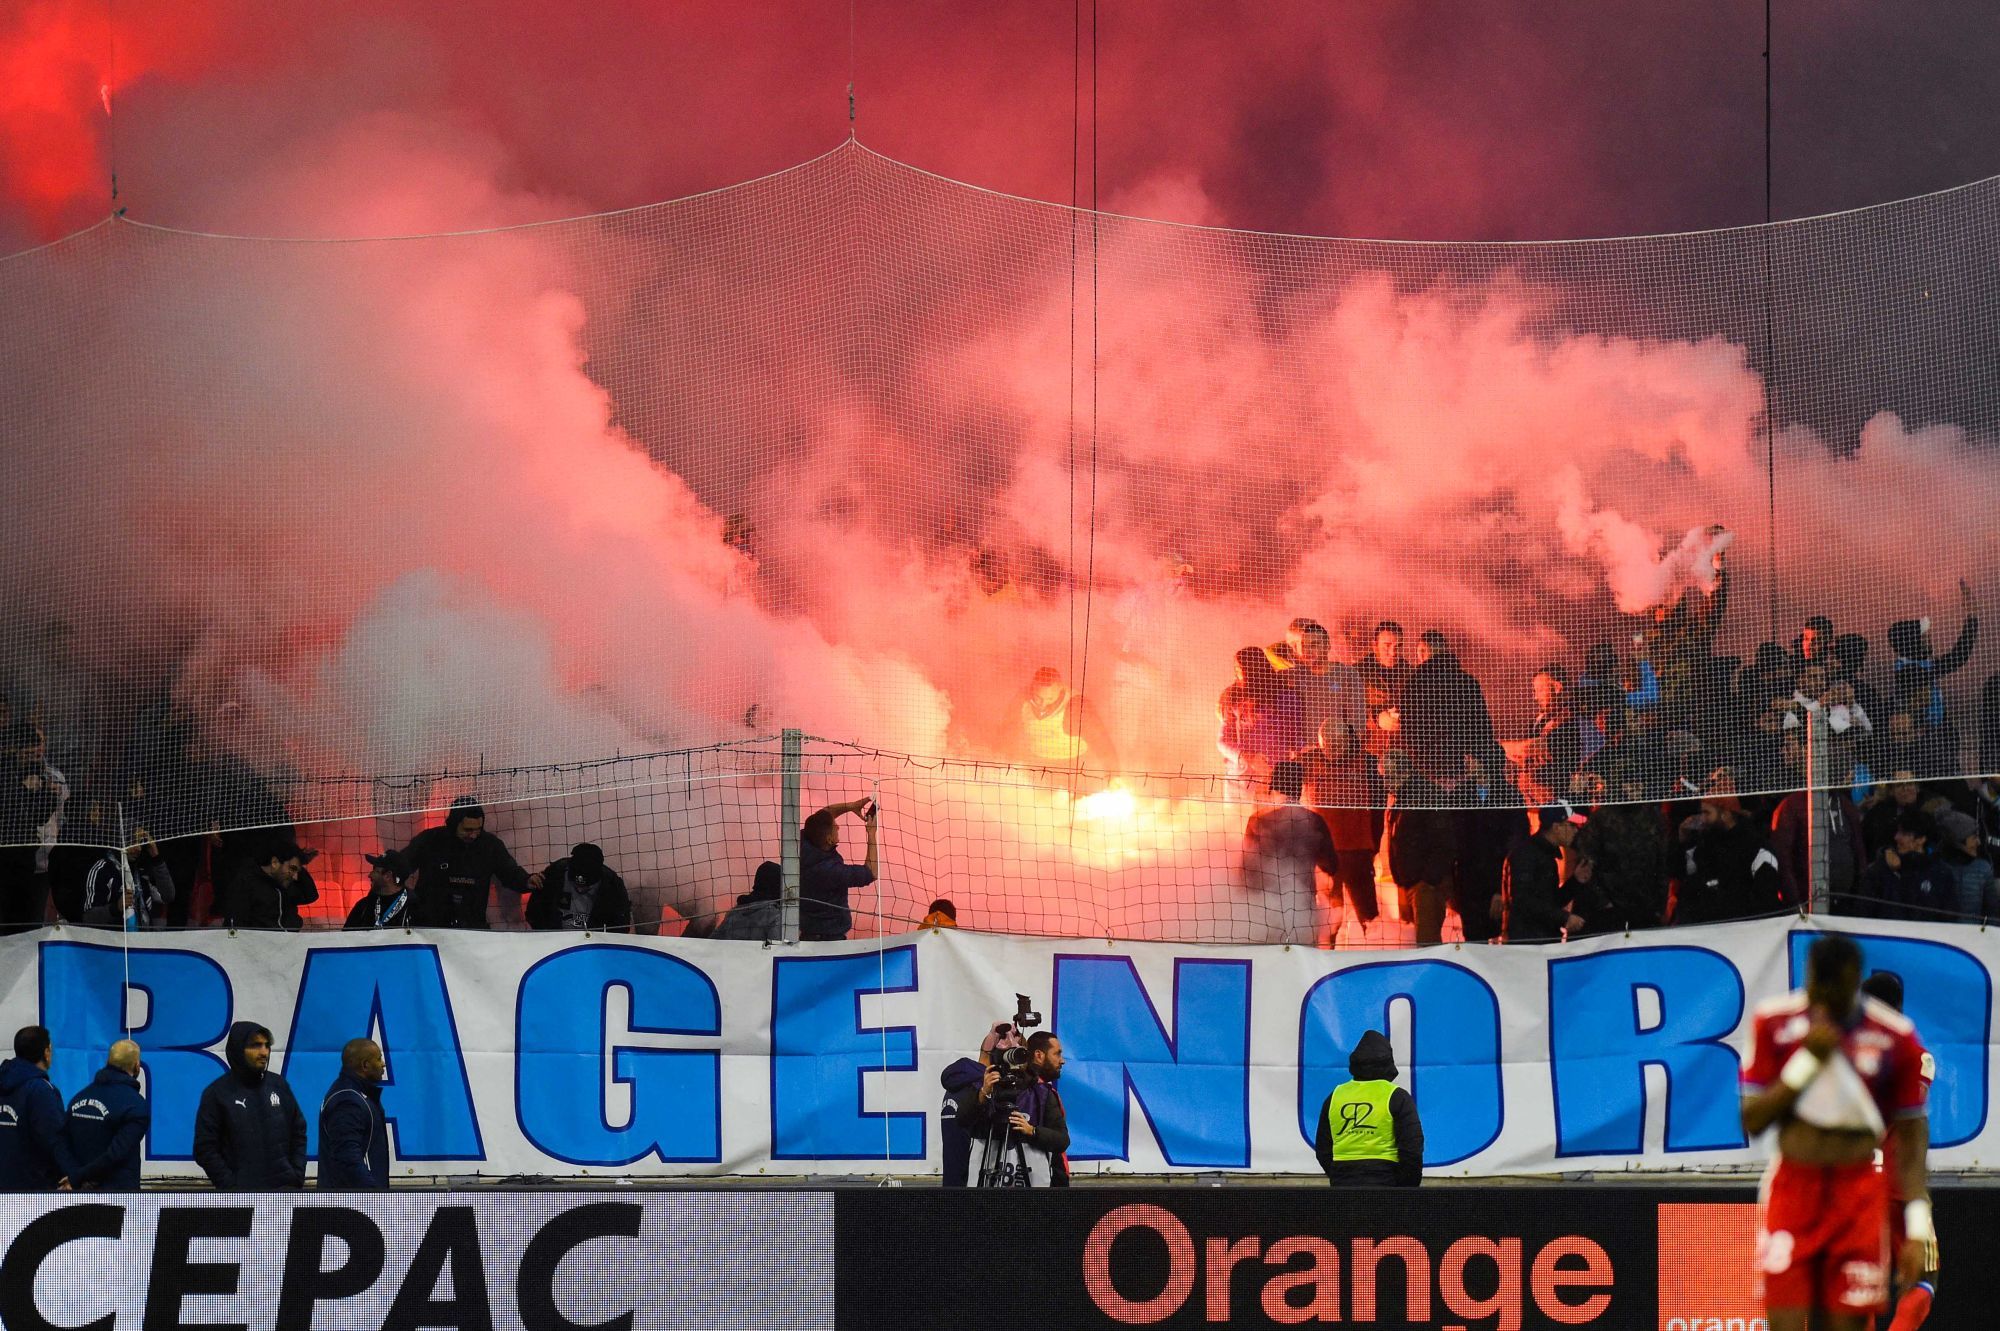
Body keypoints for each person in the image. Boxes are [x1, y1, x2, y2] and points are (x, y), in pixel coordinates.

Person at [1741, 934, 1930, 1331]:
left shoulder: (1895, 1037)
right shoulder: (1774, 1022)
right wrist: (1807, 1061)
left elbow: (1912, 1144)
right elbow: (1752, 1120)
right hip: (1794, 1190)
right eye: (1817, 988)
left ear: (1853, 982)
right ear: (1809, 980)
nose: (1825, 999)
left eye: (1836, 990)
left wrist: (1915, 1228)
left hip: (1857, 1196)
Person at [1856, 972, 1939, 1331]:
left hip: (1854, 1185)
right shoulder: (1918, 1057)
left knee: (1858, 1287)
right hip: (1899, 1185)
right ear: (1901, 1008)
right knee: (1925, 1278)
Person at [193, 1022, 307, 1191]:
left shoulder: (279, 1086)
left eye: (266, 1046)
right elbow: (205, 1148)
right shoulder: (217, 1094)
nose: (264, 1052)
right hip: (241, 1202)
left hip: (285, 1193)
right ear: (238, 1049)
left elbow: (299, 1131)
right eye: (255, 1045)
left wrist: (295, 1176)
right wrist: (231, 1187)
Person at [1241, 760, 1338, 946]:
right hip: (1302, 907)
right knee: (1303, 963)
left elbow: (1246, 870)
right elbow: (1331, 865)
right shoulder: (1314, 821)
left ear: (1274, 788)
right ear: (1300, 789)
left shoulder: (1257, 821)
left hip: (1265, 908)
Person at [403, 798, 539, 929]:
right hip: (428, 926)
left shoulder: (490, 846)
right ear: (453, 824)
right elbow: (401, 865)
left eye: (478, 830)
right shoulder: (430, 840)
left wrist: (526, 880)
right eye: (467, 830)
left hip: (472, 927)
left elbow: (509, 871)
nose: (473, 835)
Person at [1313, 1029, 1423, 1187]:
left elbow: (1323, 1150)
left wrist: (1339, 1175)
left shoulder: (1335, 1096)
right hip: (1386, 1183)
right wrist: (1406, 1188)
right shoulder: (1397, 1096)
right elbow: (1412, 1148)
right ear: (1388, 1061)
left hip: (1343, 1184)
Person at [1299, 720, 1382, 926]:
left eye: (1337, 742)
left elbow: (1378, 809)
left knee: (1369, 918)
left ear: (1348, 740)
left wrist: (1374, 846)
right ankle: (1326, 954)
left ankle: (1373, 951)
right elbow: (1283, 785)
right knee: (1327, 920)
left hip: (1357, 852)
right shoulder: (1308, 761)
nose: (1331, 748)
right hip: (1324, 856)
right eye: (1326, 743)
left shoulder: (1368, 763)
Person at [962, 1031, 1070, 1187]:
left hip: (1032, 1189)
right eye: (1058, 1054)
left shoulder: (1042, 1093)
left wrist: (1032, 1131)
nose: (1062, 1061)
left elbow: (1062, 1140)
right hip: (986, 1185)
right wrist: (983, 1093)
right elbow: (962, 1121)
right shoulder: (984, 1089)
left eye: (1020, 1053)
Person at [1676, 776, 1783, 924]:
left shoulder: (1756, 847)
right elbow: (1685, 880)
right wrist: (1683, 842)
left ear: (1725, 814)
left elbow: (1766, 899)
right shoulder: (1704, 846)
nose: (1702, 819)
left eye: (1707, 813)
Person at [1399, 629, 1498, 785]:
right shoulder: (1468, 683)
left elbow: (1408, 737)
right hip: (1463, 774)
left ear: (1424, 651)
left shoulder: (1413, 685)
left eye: (1418, 652)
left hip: (1427, 775)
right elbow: (1483, 731)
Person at [1453, 748, 1528, 944]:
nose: (1467, 762)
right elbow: (1456, 843)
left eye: (1472, 758)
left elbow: (1517, 844)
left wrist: (1500, 889)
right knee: (1474, 942)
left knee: (1503, 942)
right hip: (1469, 886)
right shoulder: (1460, 795)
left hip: (1501, 882)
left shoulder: (1510, 796)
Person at [1380, 748, 1453, 946]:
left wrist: (1428, 880)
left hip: (1425, 887)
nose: (1386, 781)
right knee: (1412, 944)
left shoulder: (1428, 795)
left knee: (1426, 945)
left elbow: (1443, 840)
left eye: (1389, 774)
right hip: (1407, 883)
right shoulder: (1400, 799)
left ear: (1404, 772)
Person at [0, 723, 63, 934]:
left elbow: (35, 818)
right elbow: (11, 815)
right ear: (14, 749)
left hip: (26, 861)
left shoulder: (38, 774)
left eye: (33, 752)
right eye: (26, 753)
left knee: (26, 926)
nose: (30, 757)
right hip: (4, 860)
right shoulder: (6, 773)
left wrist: (48, 795)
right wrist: (24, 790)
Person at [64, 1039, 149, 1191]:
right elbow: (116, 1154)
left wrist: (75, 1176)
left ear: (108, 1061)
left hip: (77, 1193)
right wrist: (79, 1176)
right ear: (137, 1066)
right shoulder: (135, 1105)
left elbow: (63, 1143)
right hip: (117, 1195)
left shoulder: (79, 1098)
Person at [998, 667, 1119, 772]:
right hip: (1036, 762)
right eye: (1038, 697)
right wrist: (1004, 757)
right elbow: (1008, 729)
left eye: (1050, 699)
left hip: (1072, 765)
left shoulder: (1076, 705)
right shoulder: (1022, 699)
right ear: (1033, 687)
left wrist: (1113, 774)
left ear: (1060, 688)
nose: (1043, 704)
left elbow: (1100, 740)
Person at [0, 1026, 77, 1190]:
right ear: (46, 1052)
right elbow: (54, 1138)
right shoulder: (40, 1090)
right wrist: (73, 1174)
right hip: (32, 1191)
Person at [1217, 647, 1306, 786]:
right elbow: (1223, 741)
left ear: (1260, 668)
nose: (1242, 675)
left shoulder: (1286, 697)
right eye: (1238, 670)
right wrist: (1247, 757)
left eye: (1246, 669)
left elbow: (1297, 738)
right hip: (1240, 778)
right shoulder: (1232, 698)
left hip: (1277, 776)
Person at [1268, 618, 1366, 744]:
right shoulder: (1284, 677)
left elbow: (1357, 724)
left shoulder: (1346, 674)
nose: (1304, 651)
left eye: (1312, 644)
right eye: (1296, 645)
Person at [1502, 805, 1586, 943]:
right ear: (1557, 827)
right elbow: (1524, 900)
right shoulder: (1527, 854)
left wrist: (1576, 880)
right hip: (1529, 942)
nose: (1575, 830)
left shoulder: (1544, 854)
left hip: (1540, 938)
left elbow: (1550, 901)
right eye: (1571, 825)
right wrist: (1564, 917)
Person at [800, 798, 877, 941]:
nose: (838, 827)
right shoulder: (830, 871)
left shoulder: (804, 843)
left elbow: (824, 815)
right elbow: (872, 872)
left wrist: (851, 806)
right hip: (830, 941)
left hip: (806, 935)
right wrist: (871, 833)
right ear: (829, 840)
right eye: (835, 826)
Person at [318, 1038, 388, 1190]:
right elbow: (348, 1157)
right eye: (378, 1059)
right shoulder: (348, 1101)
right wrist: (375, 1195)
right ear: (365, 1065)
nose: (383, 1064)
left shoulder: (355, 1095)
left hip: (354, 1201)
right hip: (351, 1206)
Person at [1859, 810, 1952, 922]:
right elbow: (1863, 913)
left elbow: (1949, 915)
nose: (1896, 837)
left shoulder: (1941, 873)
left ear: (1921, 839)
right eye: (1898, 832)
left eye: (1904, 833)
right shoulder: (1880, 869)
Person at [78, 828, 177, 930]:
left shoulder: (142, 870)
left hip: (144, 941)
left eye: (140, 842)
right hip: (114, 942)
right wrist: (115, 908)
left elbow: (168, 896)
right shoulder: (102, 870)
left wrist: (156, 857)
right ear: (120, 841)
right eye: (133, 842)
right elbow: (88, 918)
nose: (138, 848)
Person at [526, 843, 634, 932]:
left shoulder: (613, 887)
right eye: (576, 885)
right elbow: (534, 912)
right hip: (555, 943)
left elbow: (621, 927)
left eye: (586, 888)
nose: (580, 890)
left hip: (594, 946)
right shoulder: (555, 875)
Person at [222, 838, 319, 931]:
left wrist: (299, 864)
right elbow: (234, 925)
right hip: (261, 943)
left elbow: (311, 896)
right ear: (275, 863)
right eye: (292, 869)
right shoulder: (245, 883)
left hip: (290, 939)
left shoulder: (285, 881)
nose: (295, 877)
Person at [1355, 621, 1410, 755]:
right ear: (1375, 646)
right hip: (1368, 753)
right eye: (1387, 646)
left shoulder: (1411, 674)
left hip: (1403, 754)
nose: (1393, 653)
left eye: (1398, 646)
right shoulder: (1357, 674)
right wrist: (1376, 719)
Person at [344, 849, 417, 930]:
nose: (370, 875)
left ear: (388, 876)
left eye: (375, 871)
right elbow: (346, 940)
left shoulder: (415, 909)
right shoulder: (362, 907)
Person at [714, 862, 783, 940]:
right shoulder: (776, 917)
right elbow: (779, 950)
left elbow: (711, 945)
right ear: (779, 886)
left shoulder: (733, 914)